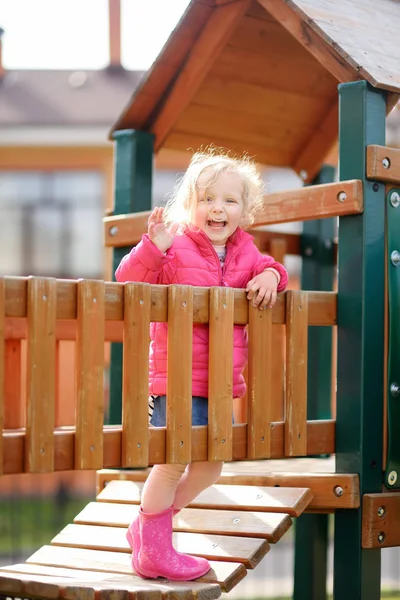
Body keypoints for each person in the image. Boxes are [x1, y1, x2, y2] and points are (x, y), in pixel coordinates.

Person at [115, 149, 288, 581]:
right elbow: (128, 280)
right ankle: (154, 549)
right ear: (191, 205)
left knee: (211, 465)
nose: (218, 208)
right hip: (176, 379)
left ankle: (147, 527)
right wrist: (151, 249)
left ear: (245, 210)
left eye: (230, 200)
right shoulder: (174, 246)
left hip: (219, 383)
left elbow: (271, 267)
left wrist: (272, 277)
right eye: (208, 198)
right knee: (174, 461)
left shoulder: (245, 251)